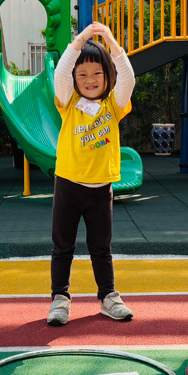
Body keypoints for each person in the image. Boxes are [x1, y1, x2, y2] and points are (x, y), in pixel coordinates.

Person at [46, 22, 136, 326]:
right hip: (68, 185)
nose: (90, 79)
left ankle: (108, 297)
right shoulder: (68, 103)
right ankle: (60, 298)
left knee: (101, 248)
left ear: (107, 76)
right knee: (63, 247)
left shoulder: (114, 105)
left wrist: (111, 42)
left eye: (97, 73)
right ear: (74, 79)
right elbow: (60, 75)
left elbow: (128, 78)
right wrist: (80, 41)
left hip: (100, 189)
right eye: (82, 74)